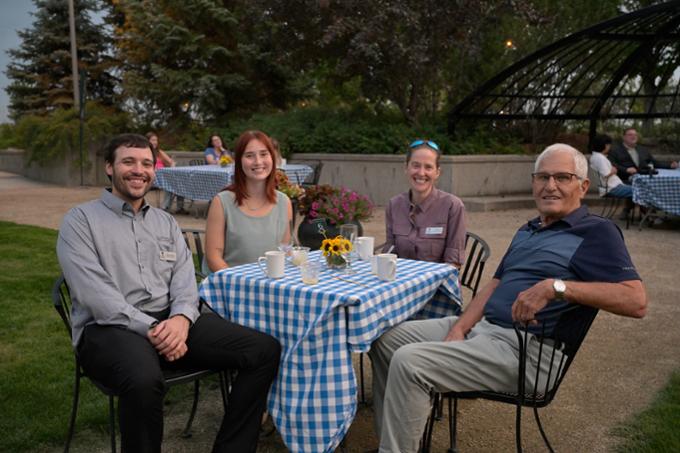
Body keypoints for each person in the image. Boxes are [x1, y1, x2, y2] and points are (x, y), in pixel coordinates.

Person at [368, 143, 648, 453]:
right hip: (485, 330)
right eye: (542, 177)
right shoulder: (527, 230)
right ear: (533, 183)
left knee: (410, 362)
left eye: (562, 177)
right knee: (385, 340)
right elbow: (493, 286)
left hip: (527, 351)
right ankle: (396, 443)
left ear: (583, 186)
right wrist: (460, 329)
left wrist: (556, 287)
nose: (550, 186)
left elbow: (636, 301)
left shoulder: (597, 232)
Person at [57, 133, 281, 453]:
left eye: (147, 163)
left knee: (263, 350)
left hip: (171, 321)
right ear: (109, 167)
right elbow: (95, 296)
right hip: (108, 329)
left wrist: (180, 319)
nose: (139, 170)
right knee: (143, 380)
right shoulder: (80, 221)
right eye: (129, 162)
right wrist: (153, 329)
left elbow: (185, 280)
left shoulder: (165, 222)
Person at [204, 130, 292, 272]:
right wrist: (245, 286)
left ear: (272, 157)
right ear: (239, 162)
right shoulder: (222, 202)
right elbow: (213, 258)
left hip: (273, 289)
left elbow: (286, 254)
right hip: (232, 287)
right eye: (249, 156)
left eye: (264, 154)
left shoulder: (284, 203)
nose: (258, 162)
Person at [383, 139, 466, 267]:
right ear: (406, 168)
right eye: (416, 165)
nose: (421, 173)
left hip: (437, 283)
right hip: (402, 282)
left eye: (428, 167)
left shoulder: (453, 206)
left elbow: (454, 263)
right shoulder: (394, 205)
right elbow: (390, 252)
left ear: (437, 172)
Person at [608, 127, 678, 183]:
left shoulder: (643, 149)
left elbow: (655, 163)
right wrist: (625, 169)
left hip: (644, 179)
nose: (633, 136)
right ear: (624, 137)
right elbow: (611, 164)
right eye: (630, 135)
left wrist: (670, 165)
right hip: (625, 179)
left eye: (635, 135)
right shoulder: (615, 150)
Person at [146, 132, 187, 214]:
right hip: (152, 177)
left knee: (179, 183)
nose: (155, 142)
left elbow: (170, 161)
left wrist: (172, 165)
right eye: (153, 140)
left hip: (163, 176)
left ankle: (179, 207)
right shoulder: (145, 152)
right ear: (147, 141)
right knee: (170, 184)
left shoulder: (159, 152)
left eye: (156, 140)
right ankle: (165, 207)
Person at [589, 133, 633, 199]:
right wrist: (614, 171)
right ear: (605, 145)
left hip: (611, 187)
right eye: (609, 145)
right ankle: (641, 209)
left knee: (637, 189)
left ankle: (629, 209)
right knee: (639, 191)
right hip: (612, 189)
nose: (610, 147)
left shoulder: (595, 156)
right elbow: (606, 174)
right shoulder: (600, 158)